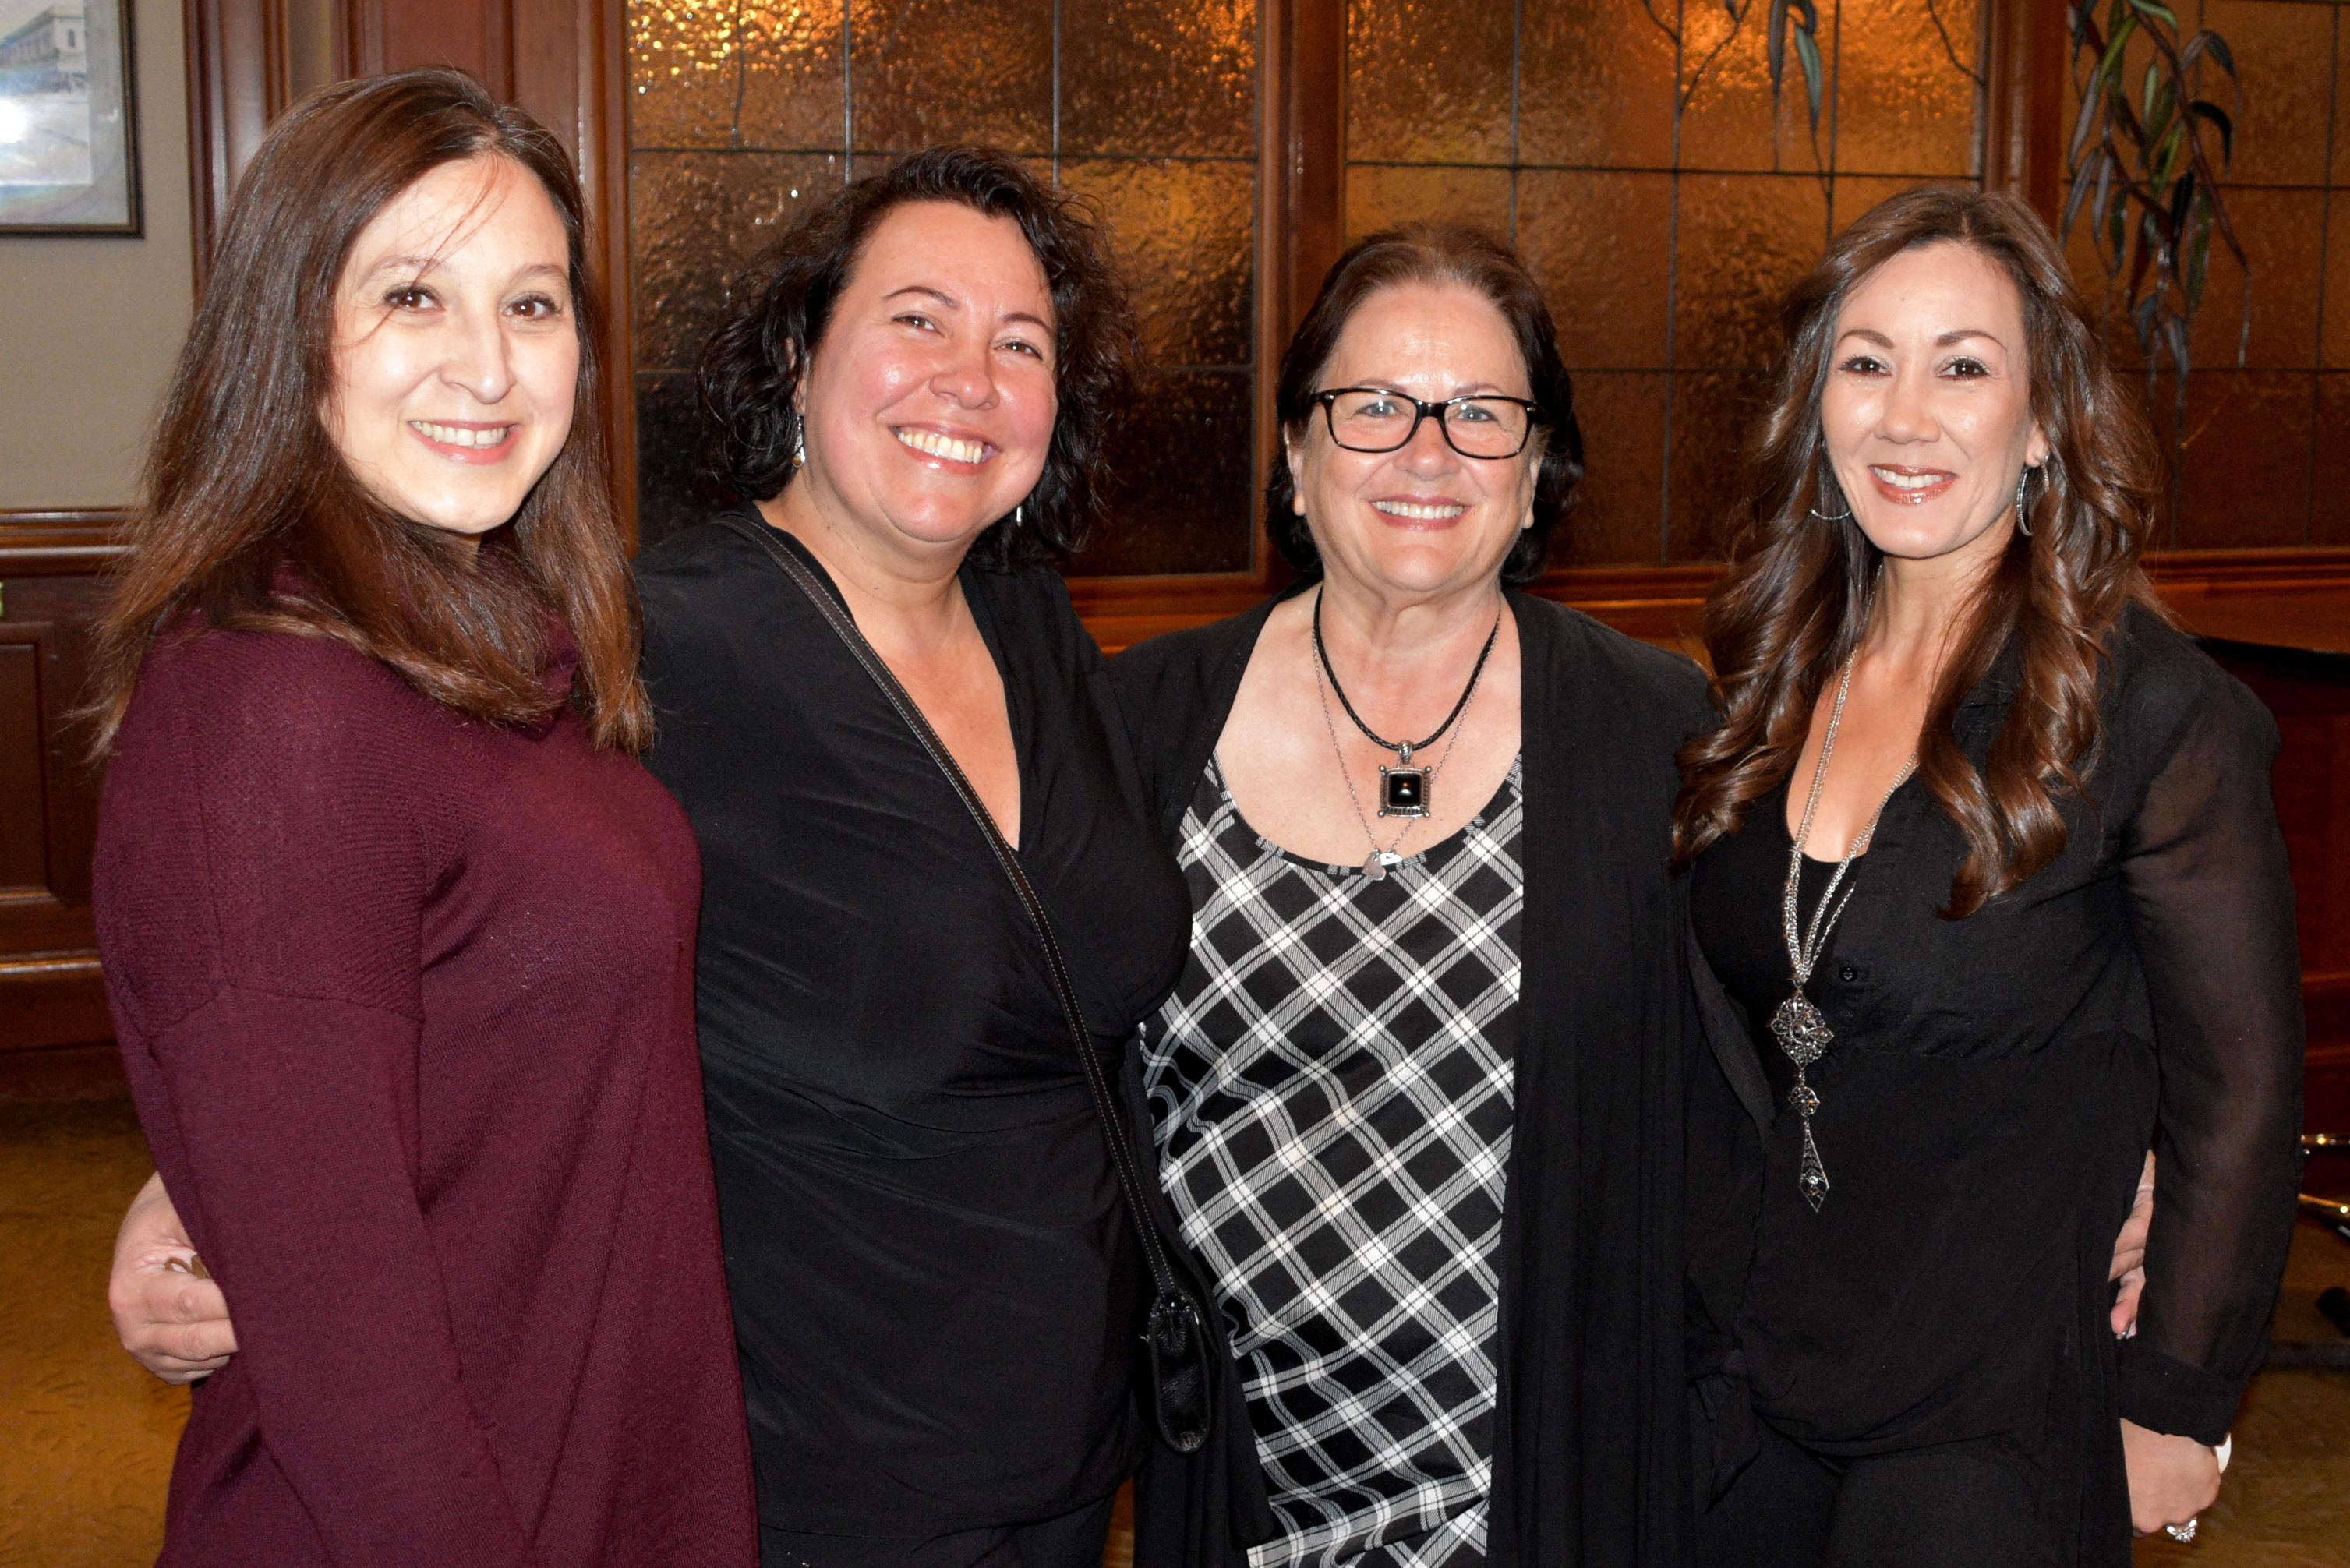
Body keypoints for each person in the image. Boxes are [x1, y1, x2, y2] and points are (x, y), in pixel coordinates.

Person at [111, 144, 1196, 1568]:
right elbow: (350, 937)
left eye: (1022, 343)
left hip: (1065, 1436)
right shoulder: (639, 649)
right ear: (799, 360)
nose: (969, 379)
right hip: (806, 1463)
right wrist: (195, 1192)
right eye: (917, 319)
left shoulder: (1038, 631)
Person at [84, 69, 756, 1566]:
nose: (489, 366)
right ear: (287, 332)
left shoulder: (496, 644)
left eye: (532, 305)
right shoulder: (272, 704)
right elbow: (345, 1355)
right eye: (410, 296)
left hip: (587, 1464)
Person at [1675, 186, 2302, 1566]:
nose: (1905, 417)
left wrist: (2176, 1400)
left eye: (1963, 367)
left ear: (2041, 422)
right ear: (1817, 406)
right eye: (1866, 363)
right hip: (1752, 1369)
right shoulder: (1769, 678)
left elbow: (2241, 1095)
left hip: (1996, 1407)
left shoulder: (2154, 715)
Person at [1111, 224, 1712, 1568]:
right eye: (1375, 405)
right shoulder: (1139, 726)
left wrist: (2108, 1167)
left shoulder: (1656, 733)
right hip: (1244, 1486)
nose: (1427, 453)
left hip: (1554, 1485)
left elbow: (1807, 1022)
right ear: (1296, 452)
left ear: (1538, 468)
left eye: (1481, 414)